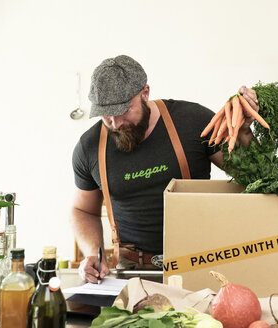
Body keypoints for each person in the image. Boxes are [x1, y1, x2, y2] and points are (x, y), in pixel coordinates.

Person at [71, 55, 259, 283]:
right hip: (133, 270)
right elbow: (83, 211)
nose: (116, 123)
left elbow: (251, 175)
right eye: (105, 115)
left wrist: (244, 130)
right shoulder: (90, 147)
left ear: (145, 93)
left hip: (199, 264)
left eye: (124, 110)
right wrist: (93, 253)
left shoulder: (193, 121)